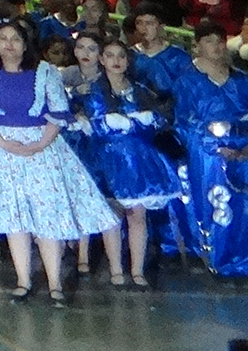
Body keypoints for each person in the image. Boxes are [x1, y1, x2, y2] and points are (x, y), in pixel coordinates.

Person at [0, 17, 116, 304]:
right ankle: (23, 280)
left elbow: (59, 113)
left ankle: (55, 282)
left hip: (42, 146)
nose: (8, 45)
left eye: (15, 39)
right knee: (15, 218)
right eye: (3, 39)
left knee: (48, 216)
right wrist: (5, 143)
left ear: (26, 44)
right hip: (0, 150)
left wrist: (39, 144)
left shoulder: (45, 71)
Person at [69, 37, 178, 288]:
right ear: (102, 59)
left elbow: (161, 118)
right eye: (110, 55)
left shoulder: (140, 90)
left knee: (137, 216)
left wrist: (141, 121)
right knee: (112, 216)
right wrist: (107, 124)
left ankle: (137, 270)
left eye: (121, 56)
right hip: (105, 161)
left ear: (127, 61)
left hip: (138, 161)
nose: (116, 61)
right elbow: (85, 123)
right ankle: (116, 269)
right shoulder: (91, 90)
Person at [166, 20, 248, 280]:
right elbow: (185, 122)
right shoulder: (187, 81)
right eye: (209, 40)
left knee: (245, 209)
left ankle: (244, 262)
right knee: (215, 205)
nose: (217, 46)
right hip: (208, 156)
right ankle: (216, 261)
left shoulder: (242, 80)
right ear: (197, 45)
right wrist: (217, 146)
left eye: (220, 40)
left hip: (244, 155)